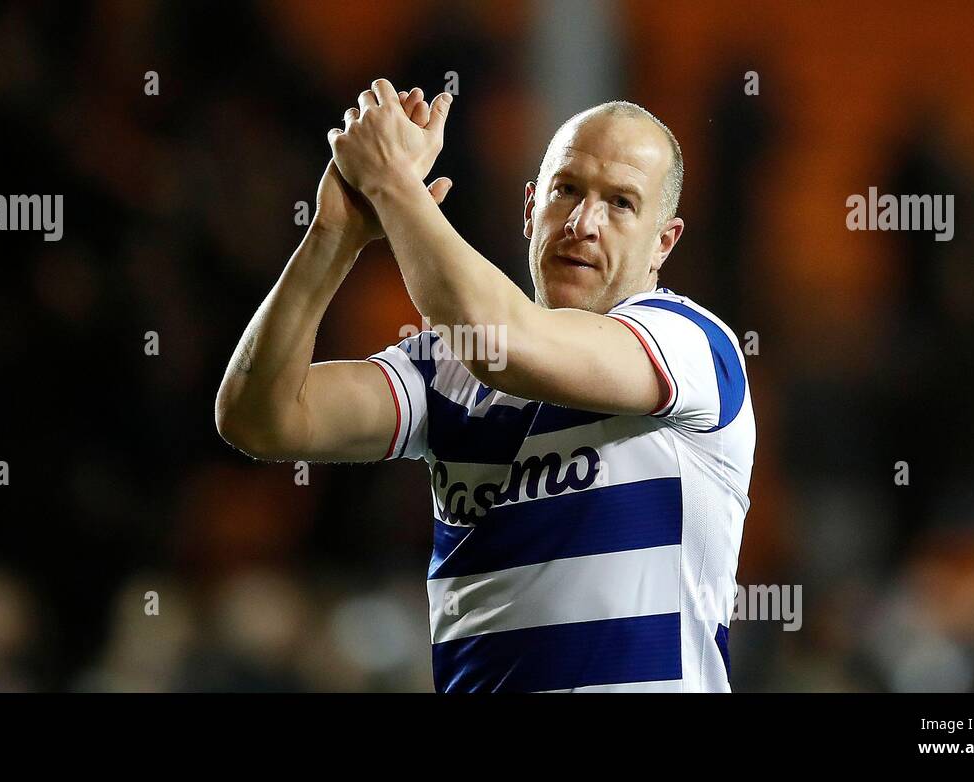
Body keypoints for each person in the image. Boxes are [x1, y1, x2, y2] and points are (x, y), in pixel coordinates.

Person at [216, 80, 754, 692]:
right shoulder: (446, 367)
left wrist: (393, 185)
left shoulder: (690, 347)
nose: (583, 222)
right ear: (530, 209)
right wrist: (333, 235)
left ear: (664, 242)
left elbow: (505, 344)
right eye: (567, 190)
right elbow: (260, 417)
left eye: (621, 203)